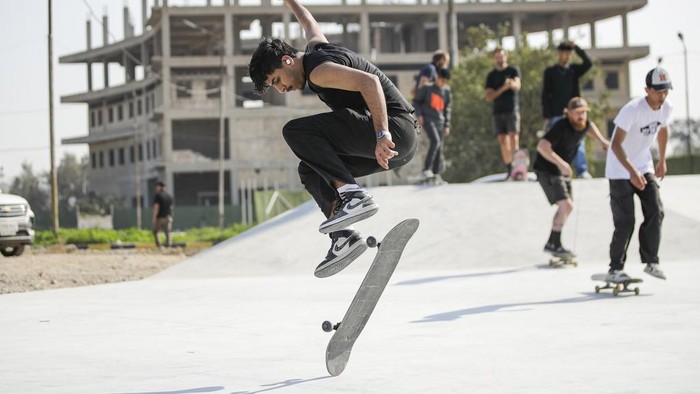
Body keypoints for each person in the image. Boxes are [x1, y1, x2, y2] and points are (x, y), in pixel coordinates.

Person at [248, 0, 419, 278]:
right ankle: (343, 238)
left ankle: (353, 197)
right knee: (310, 169)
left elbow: (370, 83)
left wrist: (381, 134)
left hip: (394, 131)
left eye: (277, 80)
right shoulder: (316, 48)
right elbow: (308, 22)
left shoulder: (319, 70)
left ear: (287, 60)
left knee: (296, 131)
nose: (281, 89)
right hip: (399, 143)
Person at [604, 67, 673, 281]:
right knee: (625, 221)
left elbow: (662, 129)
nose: (662, 96)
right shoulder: (632, 109)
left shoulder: (666, 107)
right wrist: (631, 171)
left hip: (644, 166)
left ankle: (651, 261)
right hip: (619, 169)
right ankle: (615, 268)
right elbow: (615, 144)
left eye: (665, 91)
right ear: (647, 89)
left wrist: (661, 160)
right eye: (658, 91)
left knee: (656, 209)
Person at [534, 97, 609, 256]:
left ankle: (553, 243)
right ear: (568, 113)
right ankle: (553, 243)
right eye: (577, 113)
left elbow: (590, 127)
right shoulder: (561, 126)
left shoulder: (584, 123)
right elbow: (542, 146)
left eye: (583, 113)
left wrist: (602, 140)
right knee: (566, 205)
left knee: (567, 207)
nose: (581, 117)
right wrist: (561, 164)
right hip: (547, 169)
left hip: (561, 171)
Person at [542, 40, 593, 178]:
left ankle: (582, 171)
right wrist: (547, 115)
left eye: (569, 53)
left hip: (575, 112)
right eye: (564, 53)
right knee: (556, 142)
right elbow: (546, 93)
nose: (566, 56)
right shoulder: (550, 72)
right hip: (557, 113)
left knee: (578, 141)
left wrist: (576, 47)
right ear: (559, 54)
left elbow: (588, 63)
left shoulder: (573, 70)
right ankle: (557, 169)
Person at [485, 47, 521, 179]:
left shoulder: (513, 70)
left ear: (506, 56)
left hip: (512, 109)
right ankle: (509, 168)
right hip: (497, 111)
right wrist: (504, 88)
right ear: (494, 58)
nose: (500, 58)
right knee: (502, 140)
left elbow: (517, 86)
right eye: (497, 57)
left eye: (501, 56)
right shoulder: (491, 75)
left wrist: (511, 85)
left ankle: (518, 167)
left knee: (514, 137)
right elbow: (489, 96)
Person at [413, 67, 452, 183]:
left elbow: (447, 108)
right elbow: (416, 101)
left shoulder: (446, 91)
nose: (443, 83)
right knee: (435, 141)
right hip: (428, 119)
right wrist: (419, 115)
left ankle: (436, 174)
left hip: (440, 121)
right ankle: (426, 169)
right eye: (442, 80)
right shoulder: (427, 88)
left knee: (439, 148)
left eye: (445, 82)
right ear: (437, 77)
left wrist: (447, 125)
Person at [152, 181, 173, 248]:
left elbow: (156, 207)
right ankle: (169, 245)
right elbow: (171, 207)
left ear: (159, 187)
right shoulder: (169, 196)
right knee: (168, 232)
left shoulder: (158, 195)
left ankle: (159, 245)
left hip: (160, 217)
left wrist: (154, 218)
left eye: (157, 186)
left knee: (155, 231)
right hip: (168, 217)